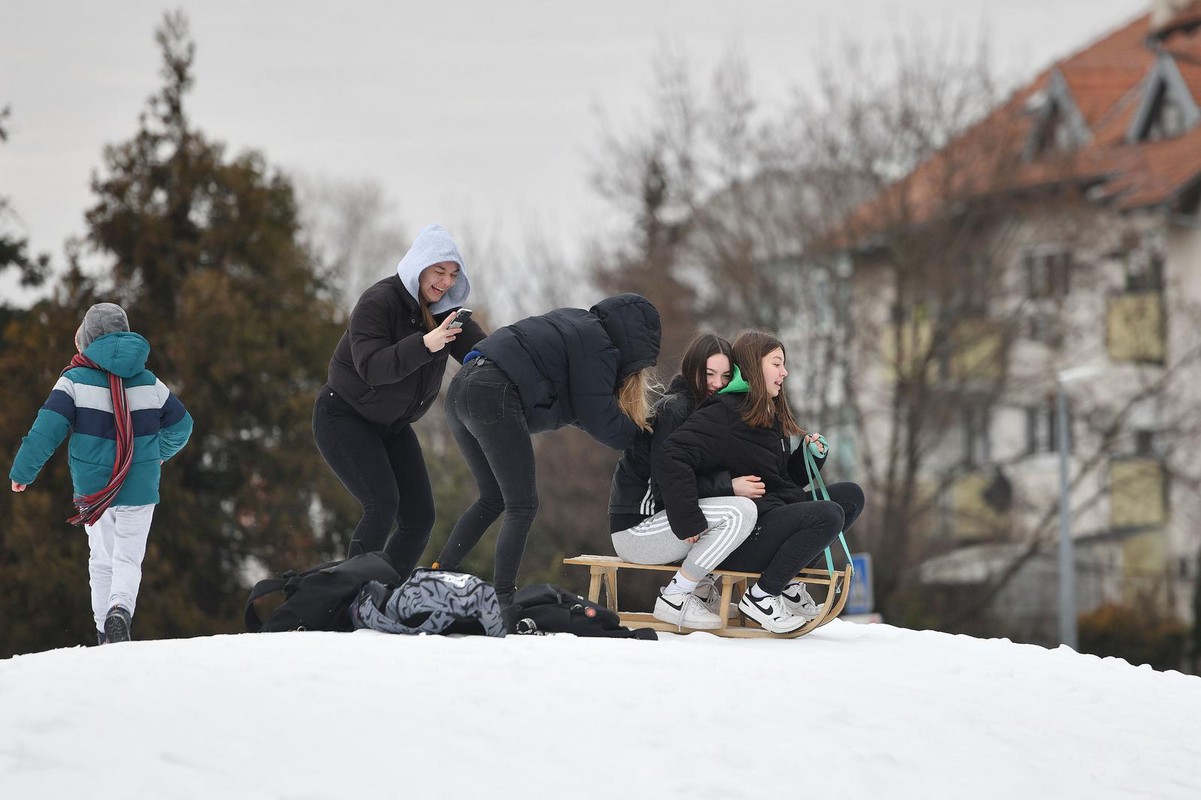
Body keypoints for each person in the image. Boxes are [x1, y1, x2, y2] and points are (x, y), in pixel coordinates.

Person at [433, 293, 661, 606]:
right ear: (635, 343)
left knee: (493, 497)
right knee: (522, 504)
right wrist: (645, 439)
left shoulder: (579, 325)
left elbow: (576, 408)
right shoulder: (600, 345)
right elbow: (597, 415)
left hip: (462, 390)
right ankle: (504, 601)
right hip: (492, 392)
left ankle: (438, 574)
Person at [657, 329, 866, 634]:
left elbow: (781, 482)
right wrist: (689, 518)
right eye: (777, 363)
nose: (785, 372)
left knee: (849, 497)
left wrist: (808, 457)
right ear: (756, 365)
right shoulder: (725, 413)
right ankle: (763, 595)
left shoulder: (769, 413)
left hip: (772, 517)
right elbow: (671, 457)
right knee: (829, 514)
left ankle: (789, 582)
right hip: (745, 537)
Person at [9, 302, 194, 644]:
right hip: (138, 488)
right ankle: (119, 612)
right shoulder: (149, 383)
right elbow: (183, 426)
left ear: (87, 338)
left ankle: (102, 633)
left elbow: (46, 429)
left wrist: (24, 470)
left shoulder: (74, 381)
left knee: (102, 560)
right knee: (127, 557)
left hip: (95, 493)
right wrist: (155, 456)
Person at [314, 224, 486, 576]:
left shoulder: (444, 311)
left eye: (453, 274)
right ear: (419, 266)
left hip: (392, 426)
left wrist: (519, 354)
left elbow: (483, 350)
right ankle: (348, 598)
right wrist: (426, 344)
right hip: (343, 416)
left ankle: (385, 592)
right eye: (439, 271)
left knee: (420, 517)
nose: (445, 282)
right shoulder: (377, 302)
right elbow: (372, 368)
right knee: (382, 505)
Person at [608, 332, 761, 630]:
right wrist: (729, 486)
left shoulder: (707, 412)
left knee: (749, 508)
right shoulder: (674, 410)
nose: (717, 383)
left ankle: (701, 591)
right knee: (739, 512)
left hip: (667, 520)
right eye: (709, 374)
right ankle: (677, 596)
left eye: (725, 376)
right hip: (637, 530)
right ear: (692, 370)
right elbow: (668, 481)